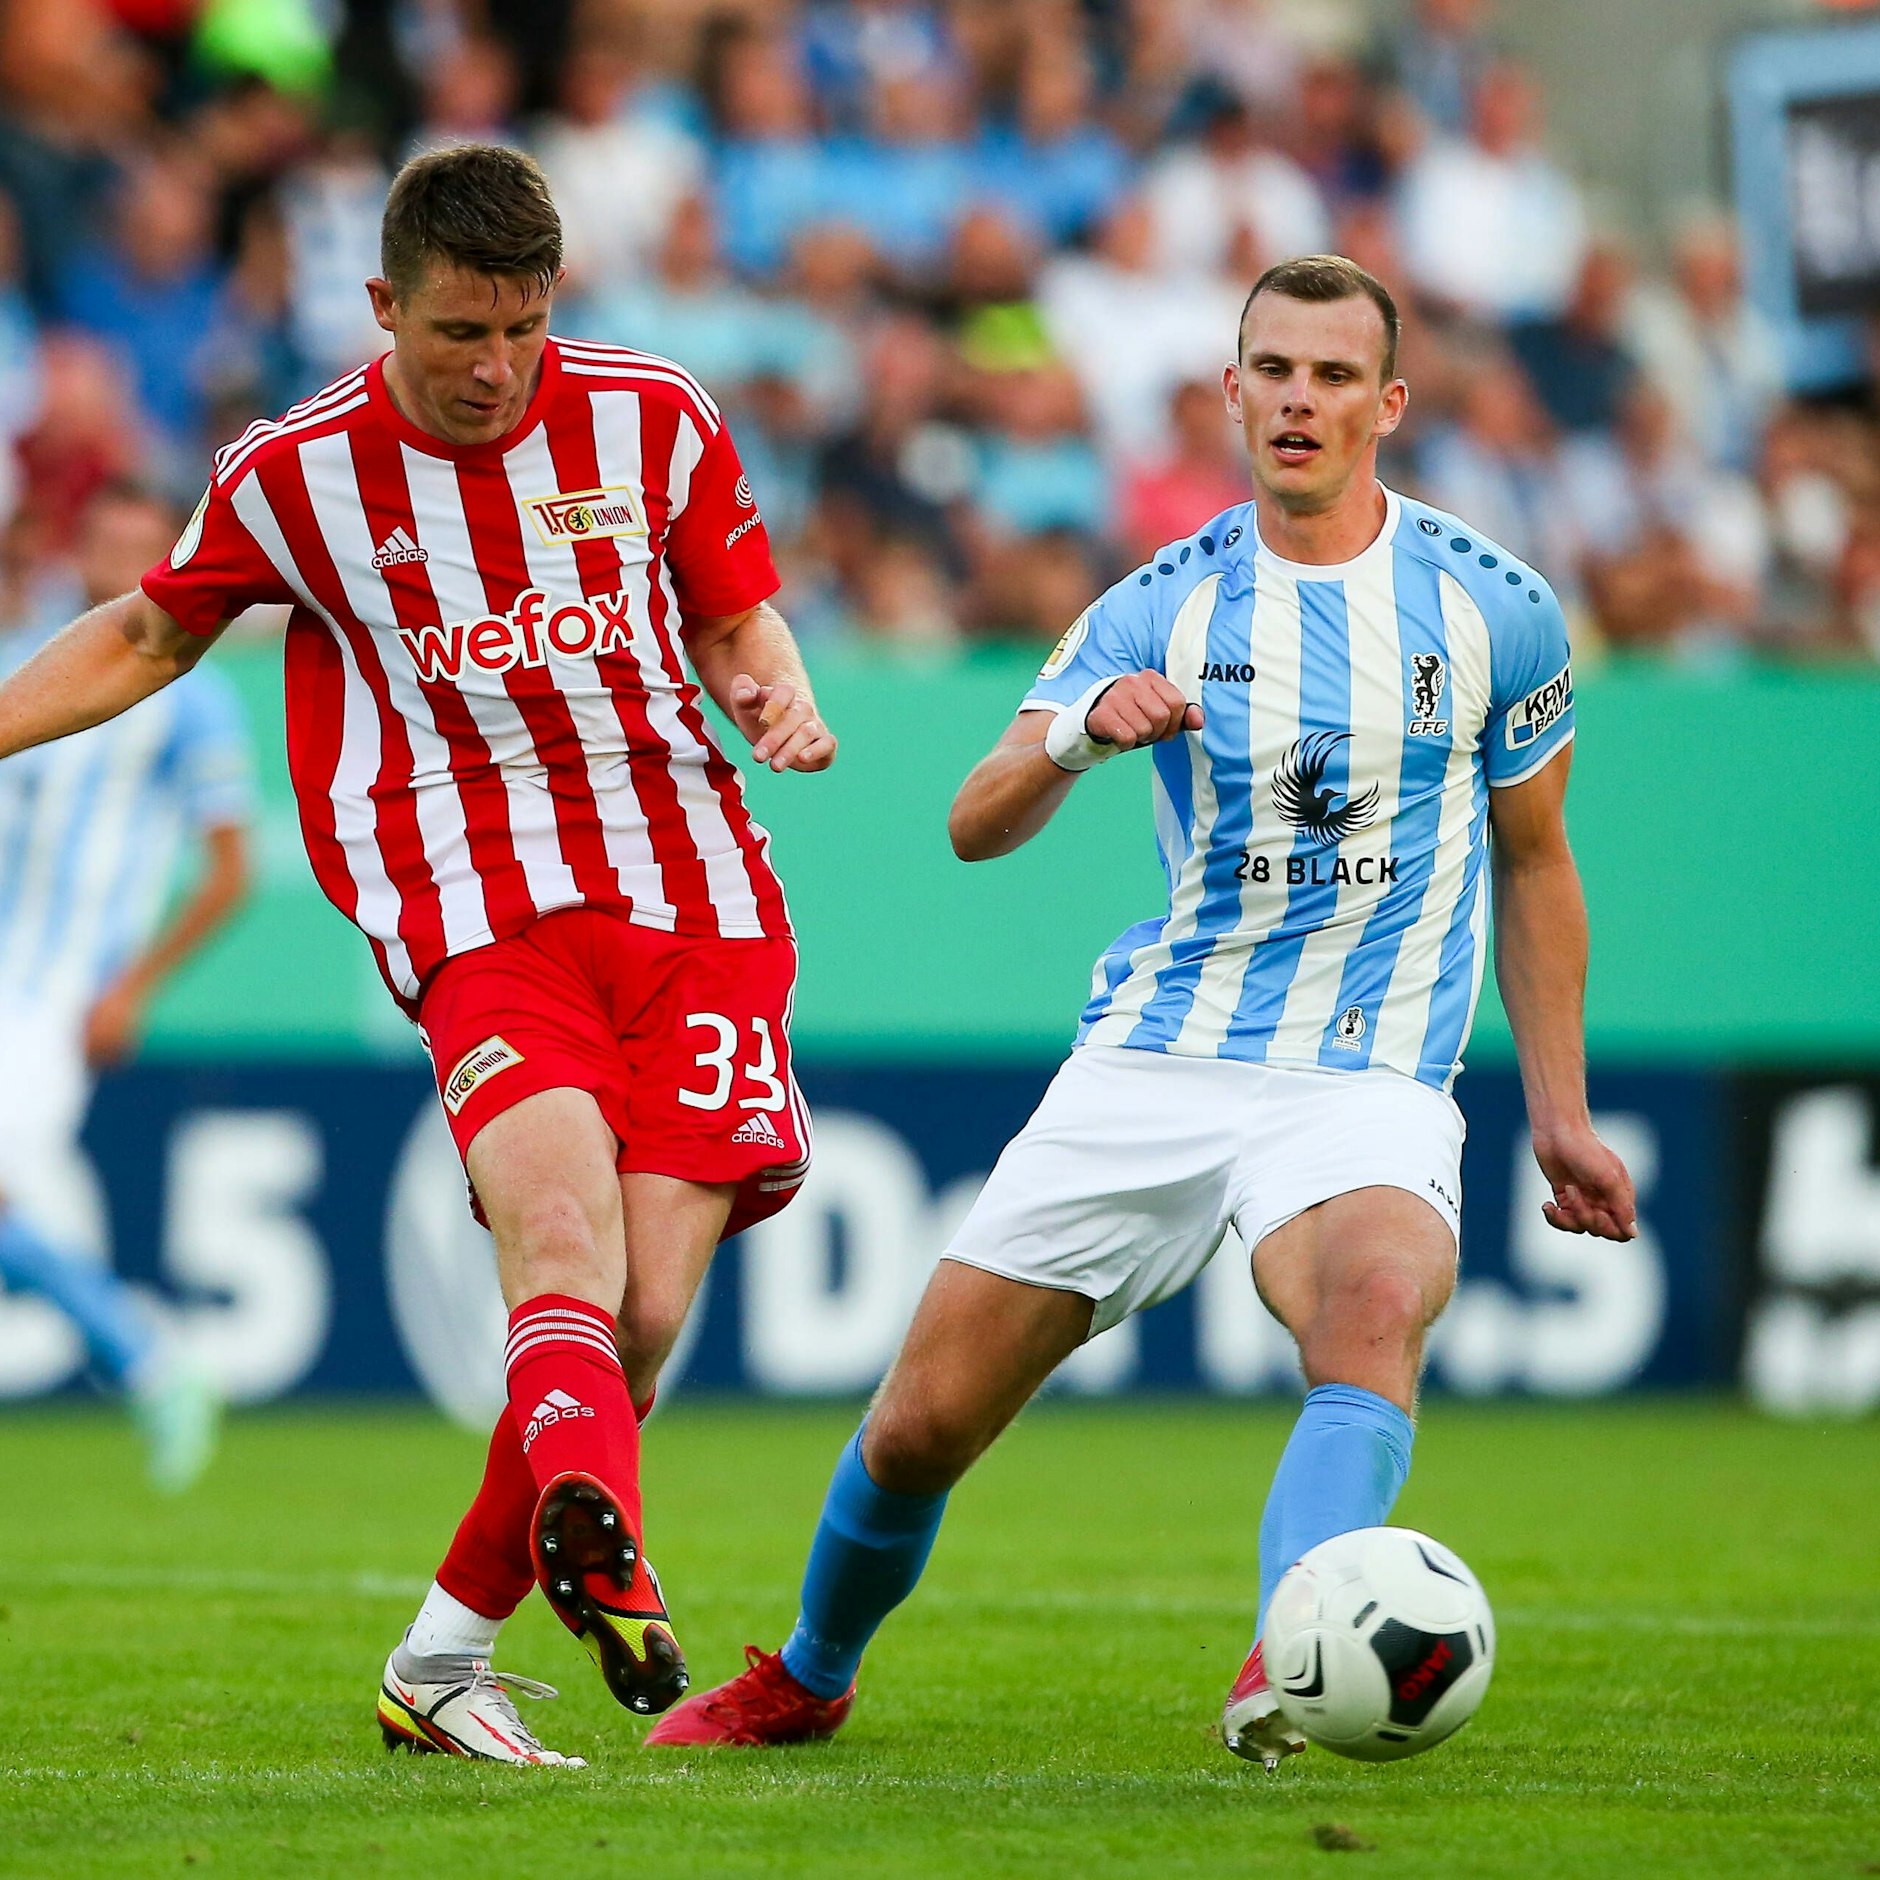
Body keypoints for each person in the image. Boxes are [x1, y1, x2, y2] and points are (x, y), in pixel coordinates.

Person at [648, 254, 1636, 1767]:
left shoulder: (1493, 607)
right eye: (1272, 371)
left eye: (1330, 375)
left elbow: (1539, 857)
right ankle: (811, 1670)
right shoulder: (1159, 603)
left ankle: (1290, 1647)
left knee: (1373, 1306)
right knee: (920, 1425)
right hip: (1160, 1056)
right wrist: (1075, 742)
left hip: (1364, 1074)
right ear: (1230, 393)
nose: (1298, 400)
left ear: (1390, 403)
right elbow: (976, 820)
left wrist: (1558, 1112)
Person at [0, 143, 834, 1767]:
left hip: (693, 904)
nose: (495, 366)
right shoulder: (293, 475)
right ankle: (606, 1549)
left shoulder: (654, 417)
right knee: (556, 1232)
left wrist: (773, 693)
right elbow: (145, 634)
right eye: (461, 329)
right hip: (472, 912)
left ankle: (444, 1660)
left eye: (523, 326)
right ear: (383, 304)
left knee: (644, 1317)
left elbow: (739, 615)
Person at [0, 481, 252, 1492]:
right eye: (106, 539)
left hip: (56, 994)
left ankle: (150, 1362)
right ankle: (150, 1359)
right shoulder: (32, 658)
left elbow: (228, 867)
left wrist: (132, 985)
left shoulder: (193, 699)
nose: (121, 559)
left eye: (142, 545)